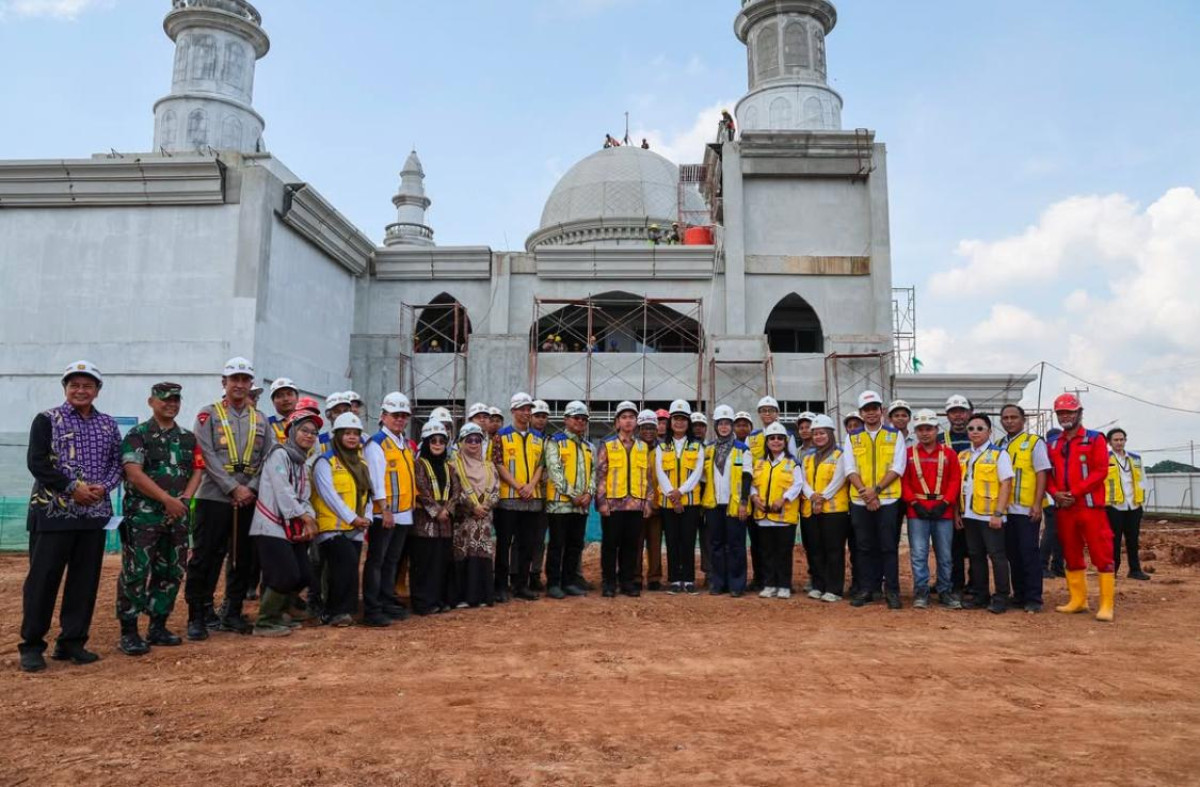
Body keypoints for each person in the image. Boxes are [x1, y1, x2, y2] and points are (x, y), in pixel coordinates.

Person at [19, 361, 122, 673]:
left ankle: (72, 641)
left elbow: (117, 463)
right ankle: (32, 645)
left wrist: (105, 487)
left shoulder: (108, 425)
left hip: (93, 515)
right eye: (74, 385)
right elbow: (37, 462)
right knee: (42, 580)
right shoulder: (47, 419)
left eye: (87, 385)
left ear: (97, 390)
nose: (81, 390)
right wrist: (72, 488)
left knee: (84, 581)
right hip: (53, 514)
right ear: (65, 388)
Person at [116, 382, 203, 655]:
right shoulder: (138, 435)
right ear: (151, 402)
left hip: (177, 518)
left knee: (171, 571)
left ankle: (158, 626)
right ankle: (129, 631)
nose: (171, 404)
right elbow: (134, 473)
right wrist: (167, 500)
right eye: (165, 399)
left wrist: (185, 499)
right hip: (143, 517)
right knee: (136, 571)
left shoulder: (188, 438)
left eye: (176, 400)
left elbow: (197, 470)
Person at [185, 357, 268, 639]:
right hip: (213, 496)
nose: (240, 385)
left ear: (251, 383)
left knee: (242, 558)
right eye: (235, 379)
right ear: (224, 382)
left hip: (248, 499)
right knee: (206, 556)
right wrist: (232, 487)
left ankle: (232, 611)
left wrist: (250, 488)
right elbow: (205, 453)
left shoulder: (261, 419)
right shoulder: (208, 415)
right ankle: (198, 614)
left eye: (245, 380)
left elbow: (268, 457)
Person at [248, 409, 321, 637]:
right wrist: (304, 517)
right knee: (285, 574)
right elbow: (283, 491)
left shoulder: (302, 463)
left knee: (304, 574)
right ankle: (266, 621)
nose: (309, 435)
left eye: (313, 432)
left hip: (290, 526)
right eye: (304, 430)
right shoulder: (279, 454)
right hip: (269, 526)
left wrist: (310, 517)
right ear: (292, 432)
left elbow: (304, 496)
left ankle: (282, 612)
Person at [1047, 394, 1115, 621]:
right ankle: (1078, 600)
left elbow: (1100, 471)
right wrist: (1055, 493)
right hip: (1064, 508)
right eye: (1061, 413)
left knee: (1101, 553)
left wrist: (1073, 493)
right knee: (1071, 552)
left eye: (1069, 412)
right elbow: (1047, 474)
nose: (1065, 417)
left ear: (1079, 413)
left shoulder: (1095, 439)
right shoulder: (1053, 443)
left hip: (1090, 507)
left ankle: (1106, 604)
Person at [844, 390, 907, 610]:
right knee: (863, 547)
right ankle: (866, 589)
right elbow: (849, 468)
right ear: (861, 413)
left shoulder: (894, 435)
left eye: (874, 408)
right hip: (860, 501)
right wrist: (866, 493)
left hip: (888, 501)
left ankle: (892, 591)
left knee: (888, 547)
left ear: (882, 411)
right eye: (866, 410)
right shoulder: (852, 437)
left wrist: (876, 491)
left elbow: (898, 467)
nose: (871, 413)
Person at [361, 392, 417, 627]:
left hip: (403, 513)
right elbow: (375, 479)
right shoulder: (377, 443)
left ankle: (386, 599)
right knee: (377, 561)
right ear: (383, 416)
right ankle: (372, 607)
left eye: (404, 416)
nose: (400, 419)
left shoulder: (403, 442)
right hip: (385, 514)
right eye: (395, 415)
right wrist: (384, 509)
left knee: (391, 561)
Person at [311, 413, 371, 626]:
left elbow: (367, 493)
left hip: (356, 528)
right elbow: (329, 496)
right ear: (337, 435)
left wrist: (367, 517)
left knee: (349, 568)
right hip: (332, 527)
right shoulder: (325, 462)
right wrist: (352, 518)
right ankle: (334, 611)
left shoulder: (361, 463)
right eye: (347, 433)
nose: (352, 437)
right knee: (343, 565)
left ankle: (344, 610)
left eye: (355, 433)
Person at [901, 409, 962, 610]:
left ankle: (945, 591)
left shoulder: (949, 454)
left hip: (943, 512)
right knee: (919, 554)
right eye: (920, 429)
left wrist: (945, 503)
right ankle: (921, 592)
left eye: (929, 429)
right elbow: (904, 481)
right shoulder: (908, 454)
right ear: (915, 431)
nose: (925, 433)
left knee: (945, 555)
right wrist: (914, 503)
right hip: (917, 512)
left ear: (937, 429)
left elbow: (955, 480)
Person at [958, 413, 1014, 614]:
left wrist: (998, 513)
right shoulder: (963, 456)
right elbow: (961, 486)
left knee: (997, 556)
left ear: (989, 431)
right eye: (971, 428)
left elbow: (1006, 483)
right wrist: (958, 513)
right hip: (970, 515)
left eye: (980, 428)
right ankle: (980, 595)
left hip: (991, 515)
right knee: (975, 556)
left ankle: (1001, 597)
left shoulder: (999, 454)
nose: (975, 432)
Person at [998, 404, 1051, 612]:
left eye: (1014, 417)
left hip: (1027, 509)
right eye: (1005, 418)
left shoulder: (1034, 442)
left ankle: (1033, 598)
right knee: (1012, 554)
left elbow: (1041, 473)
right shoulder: (999, 444)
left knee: (1029, 553)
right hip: (1006, 510)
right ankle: (1019, 594)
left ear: (1023, 420)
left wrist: (1037, 504)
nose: (1009, 421)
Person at [493, 392, 545, 601]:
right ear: (513, 411)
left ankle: (521, 585)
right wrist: (518, 486)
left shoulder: (538, 437)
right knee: (504, 544)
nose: (526, 412)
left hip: (532, 500)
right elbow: (498, 463)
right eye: (522, 409)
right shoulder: (501, 435)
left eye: (528, 409)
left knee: (527, 544)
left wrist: (530, 486)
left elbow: (541, 465)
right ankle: (500, 586)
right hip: (508, 500)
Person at [596, 401, 651, 598]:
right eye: (624, 417)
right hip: (613, 505)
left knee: (631, 546)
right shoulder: (607, 445)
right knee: (610, 545)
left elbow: (648, 477)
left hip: (636, 505)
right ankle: (609, 583)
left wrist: (648, 502)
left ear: (636, 422)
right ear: (617, 422)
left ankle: (627, 582)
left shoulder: (642, 447)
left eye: (631, 417)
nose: (628, 421)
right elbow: (600, 475)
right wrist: (602, 502)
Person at [543, 401, 595, 599]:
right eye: (576, 418)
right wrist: (573, 495)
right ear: (566, 420)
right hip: (559, 504)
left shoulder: (588, 447)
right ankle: (553, 583)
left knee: (575, 545)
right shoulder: (555, 442)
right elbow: (555, 471)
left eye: (583, 419)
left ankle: (569, 582)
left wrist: (588, 493)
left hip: (581, 506)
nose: (580, 422)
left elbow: (593, 473)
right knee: (557, 545)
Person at [656, 400, 705, 594]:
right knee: (672, 540)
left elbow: (697, 473)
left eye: (683, 419)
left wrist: (681, 492)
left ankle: (689, 579)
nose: (679, 422)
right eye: (676, 418)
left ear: (688, 423)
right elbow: (660, 472)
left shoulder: (697, 446)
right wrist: (673, 496)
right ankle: (675, 579)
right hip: (668, 503)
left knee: (688, 540)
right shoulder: (661, 447)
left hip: (690, 503)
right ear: (670, 422)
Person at [800, 415, 851, 602]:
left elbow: (839, 479)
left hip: (834, 511)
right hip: (810, 508)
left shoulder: (840, 455)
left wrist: (821, 498)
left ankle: (834, 589)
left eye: (822, 433)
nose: (818, 437)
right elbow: (802, 480)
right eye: (815, 434)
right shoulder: (808, 457)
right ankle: (818, 585)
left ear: (830, 434)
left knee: (833, 549)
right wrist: (812, 496)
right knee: (815, 549)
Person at [410, 420, 458, 615]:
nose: (438, 445)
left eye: (441, 441)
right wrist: (437, 510)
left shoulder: (450, 467)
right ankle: (423, 602)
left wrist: (448, 510)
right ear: (426, 442)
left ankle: (439, 599)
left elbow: (457, 492)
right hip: (424, 523)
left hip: (445, 524)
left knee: (441, 563)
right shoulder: (418, 465)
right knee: (424, 564)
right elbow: (420, 489)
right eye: (433, 441)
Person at [703, 405, 752, 596]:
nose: (724, 427)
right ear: (715, 426)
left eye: (727, 423)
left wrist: (744, 503)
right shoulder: (708, 449)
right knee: (716, 544)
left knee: (736, 545)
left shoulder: (742, 449)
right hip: (713, 504)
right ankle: (718, 583)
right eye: (720, 423)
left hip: (735, 505)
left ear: (732, 426)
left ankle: (736, 585)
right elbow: (703, 478)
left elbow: (747, 477)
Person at [750, 422, 802, 598]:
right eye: (772, 438)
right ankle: (769, 584)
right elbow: (752, 484)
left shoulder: (792, 463)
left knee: (783, 552)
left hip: (784, 517)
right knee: (766, 552)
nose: (776, 441)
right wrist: (754, 497)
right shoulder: (759, 463)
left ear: (785, 441)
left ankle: (784, 585)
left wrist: (784, 499)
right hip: (763, 516)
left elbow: (798, 484)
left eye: (780, 438)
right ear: (767, 442)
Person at [451, 423, 500, 607]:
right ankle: (463, 597)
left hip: (484, 520)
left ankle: (481, 596)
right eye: (469, 440)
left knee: (482, 555)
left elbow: (496, 490)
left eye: (477, 440)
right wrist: (472, 507)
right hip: (464, 520)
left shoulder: (489, 466)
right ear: (461, 442)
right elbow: (455, 491)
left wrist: (485, 506)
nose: (473, 443)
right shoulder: (454, 466)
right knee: (463, 555)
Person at [1106, 428, 1150, 580]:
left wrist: (1143, 502)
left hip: (1134, 505)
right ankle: (1112, 570)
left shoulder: (1136, 459)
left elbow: (1143, 480)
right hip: (1114, 506)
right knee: (1114, 540)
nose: (1119, 442)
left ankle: (1135, 570)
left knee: (1133, 539)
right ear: (1109, 442)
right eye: (1116, 440)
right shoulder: (1104, 459)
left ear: (1125, 440)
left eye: (1121, 439)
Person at [941, 394, 974, 595]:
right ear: (947, 415)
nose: (958, 415)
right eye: (954, 412)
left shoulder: (978, 436)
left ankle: (975, 585)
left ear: (969, 413)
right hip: (949, 500)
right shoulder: (940, 440)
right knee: (952, 547)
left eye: (962, 411)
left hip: (975, 500)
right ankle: (955, 584)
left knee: (975, 547)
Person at [637, 409, 666, 591]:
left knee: (655, 543)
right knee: (636, 543)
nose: (648, 431)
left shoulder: (664, 449)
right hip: (637, 505)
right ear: (639, 429)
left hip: (657, 504)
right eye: (644, 428)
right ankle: (635, 577)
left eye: (651, 428)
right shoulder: (633, 448)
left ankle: (654, 577)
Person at [527, 399, 553, 591]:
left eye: (544, 416)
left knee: (539, 539)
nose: (541, 420)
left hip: (546, 496)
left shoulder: (551, 440)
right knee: (522, 539)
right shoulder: (524, 438)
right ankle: (518, 574)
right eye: (537, 416)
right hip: (526, 494)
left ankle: (535, 573)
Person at [1040, 427, 1066, 578]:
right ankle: (1044, 565)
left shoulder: (1047, 451)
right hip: (1053, 497)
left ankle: (1057, 565)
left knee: (1058, 532)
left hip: (1054, 497)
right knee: (1052, 532)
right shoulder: (1054, 452)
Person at [691, 410, 712, 579]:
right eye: (694, 426)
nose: (698, 429)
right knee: (686, 538)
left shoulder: (710, 449)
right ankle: (685, 574)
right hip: (688, 496)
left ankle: (709, 573)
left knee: (707, 537)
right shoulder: (682, 448)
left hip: (706, 494)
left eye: (701, 426)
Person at [747, 395, 781, 461]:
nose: (767, 413)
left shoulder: (788, 437)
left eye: (771, 410)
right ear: (759, 413)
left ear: (777, 413)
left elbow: (792, 461)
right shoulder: (751, 437)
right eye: (764, 410)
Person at [267, 378, 299, 444]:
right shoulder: (267, 424)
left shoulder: (306, 421)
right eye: (279, 396)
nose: (285, 399)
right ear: (273, 401)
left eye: (289, 394)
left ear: (297, 398)